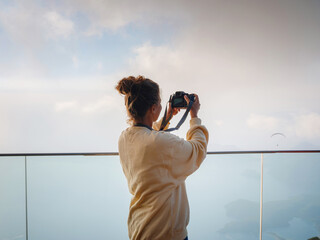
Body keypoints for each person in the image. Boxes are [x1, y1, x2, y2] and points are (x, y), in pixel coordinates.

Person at [116, 75, 209, 240]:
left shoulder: (124, 138)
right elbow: (198, 150)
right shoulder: (162, 143)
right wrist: (194, 117)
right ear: (153, 109)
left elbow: (148, 137)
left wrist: (166, 117)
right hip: (165, 233)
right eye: (159, 102)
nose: (161, 105)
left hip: (140, 228)